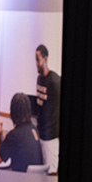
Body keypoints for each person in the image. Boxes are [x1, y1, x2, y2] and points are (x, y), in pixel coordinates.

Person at [30, 45, 60, 173]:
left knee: (51, 173)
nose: (36, 63)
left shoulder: (54, 81)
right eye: (35, 60)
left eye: (38, 59)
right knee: (41, 173)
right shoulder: (39, 79)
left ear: (45, 59)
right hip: (41, 134)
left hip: (51, 138)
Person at [0, 93, 44, 172]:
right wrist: (2, 133)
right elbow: (13, 144)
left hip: (20, 180)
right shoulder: (33, 129)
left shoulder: (14, 135)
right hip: (33, 180)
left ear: (13, 112)